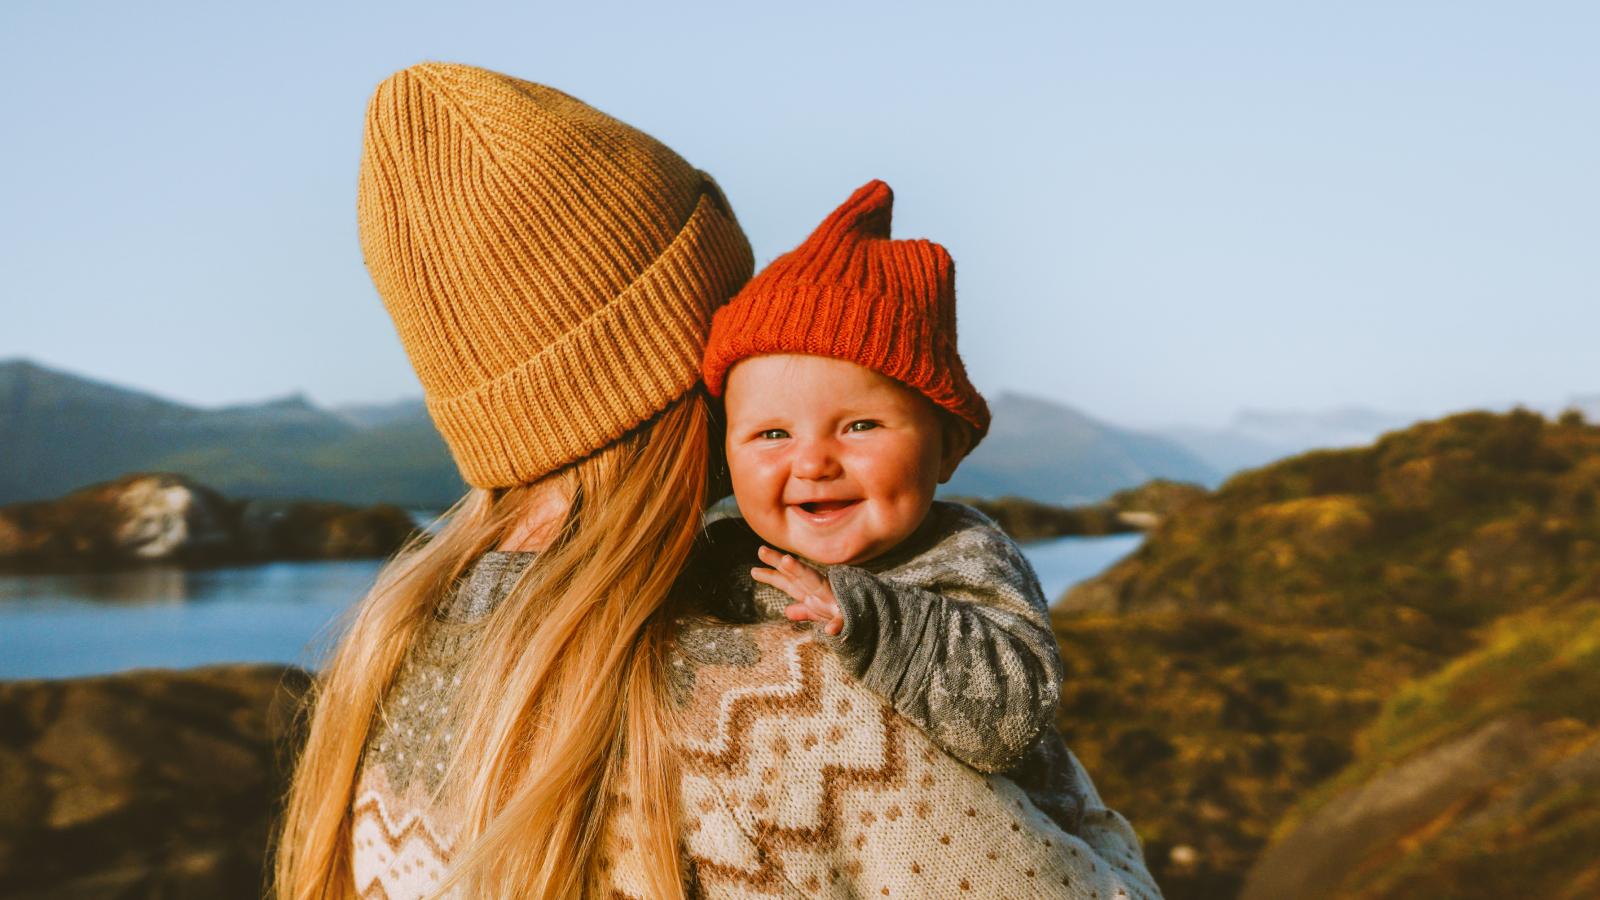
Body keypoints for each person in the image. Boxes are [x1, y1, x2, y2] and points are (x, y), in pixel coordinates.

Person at [275, 61, 1161, 900]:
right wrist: (1064, 797)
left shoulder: (386, 665)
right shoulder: (801, 710)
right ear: (678, 368)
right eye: (729, 311)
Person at [695, 178, 1092, 834]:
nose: (814, 462)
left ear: (947, 450)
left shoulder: (965, 553)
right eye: (772, 434)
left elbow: (1012, 720)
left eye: (860, 427)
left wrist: (868, 617)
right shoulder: (726, 551)